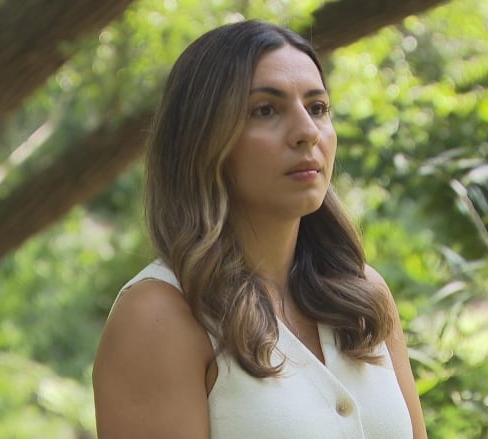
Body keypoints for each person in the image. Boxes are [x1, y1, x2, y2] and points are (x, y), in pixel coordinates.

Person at [93, 20, 428, 439]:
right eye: (265, 110)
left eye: (318, 107)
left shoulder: (362, 296)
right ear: (204, 141)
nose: (307, 131)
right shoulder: (159, 317)